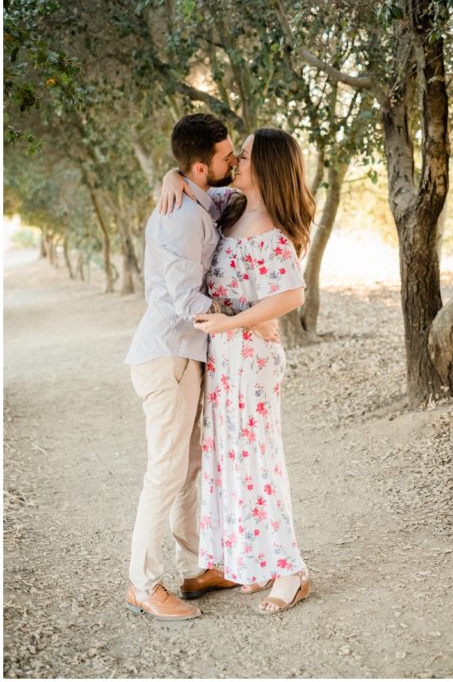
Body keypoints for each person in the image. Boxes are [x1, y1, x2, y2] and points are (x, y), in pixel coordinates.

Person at [160, 127, 316, 614]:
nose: (237, 162)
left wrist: (235, 322)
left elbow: (291, 295)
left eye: (245, 157)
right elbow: (193, 176)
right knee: (229, 463)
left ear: (265, 167)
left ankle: (292, 570)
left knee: (259, 465)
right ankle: (253, 561)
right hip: (226, 357)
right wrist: (171, 174)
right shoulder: (230, 204)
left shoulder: (271, 232)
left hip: (249, 357)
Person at [124, 113, 246, 620]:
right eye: (225, 156)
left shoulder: (195, 196)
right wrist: (240, 317)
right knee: (166, 471)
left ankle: (195, 568)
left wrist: (171, 175)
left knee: (189, 469)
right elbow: (181, 300)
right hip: (168, 355)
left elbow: (236, 197)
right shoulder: (178, 218)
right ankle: (143, 584)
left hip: (185, 356)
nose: (234, 160)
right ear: (201, 167)